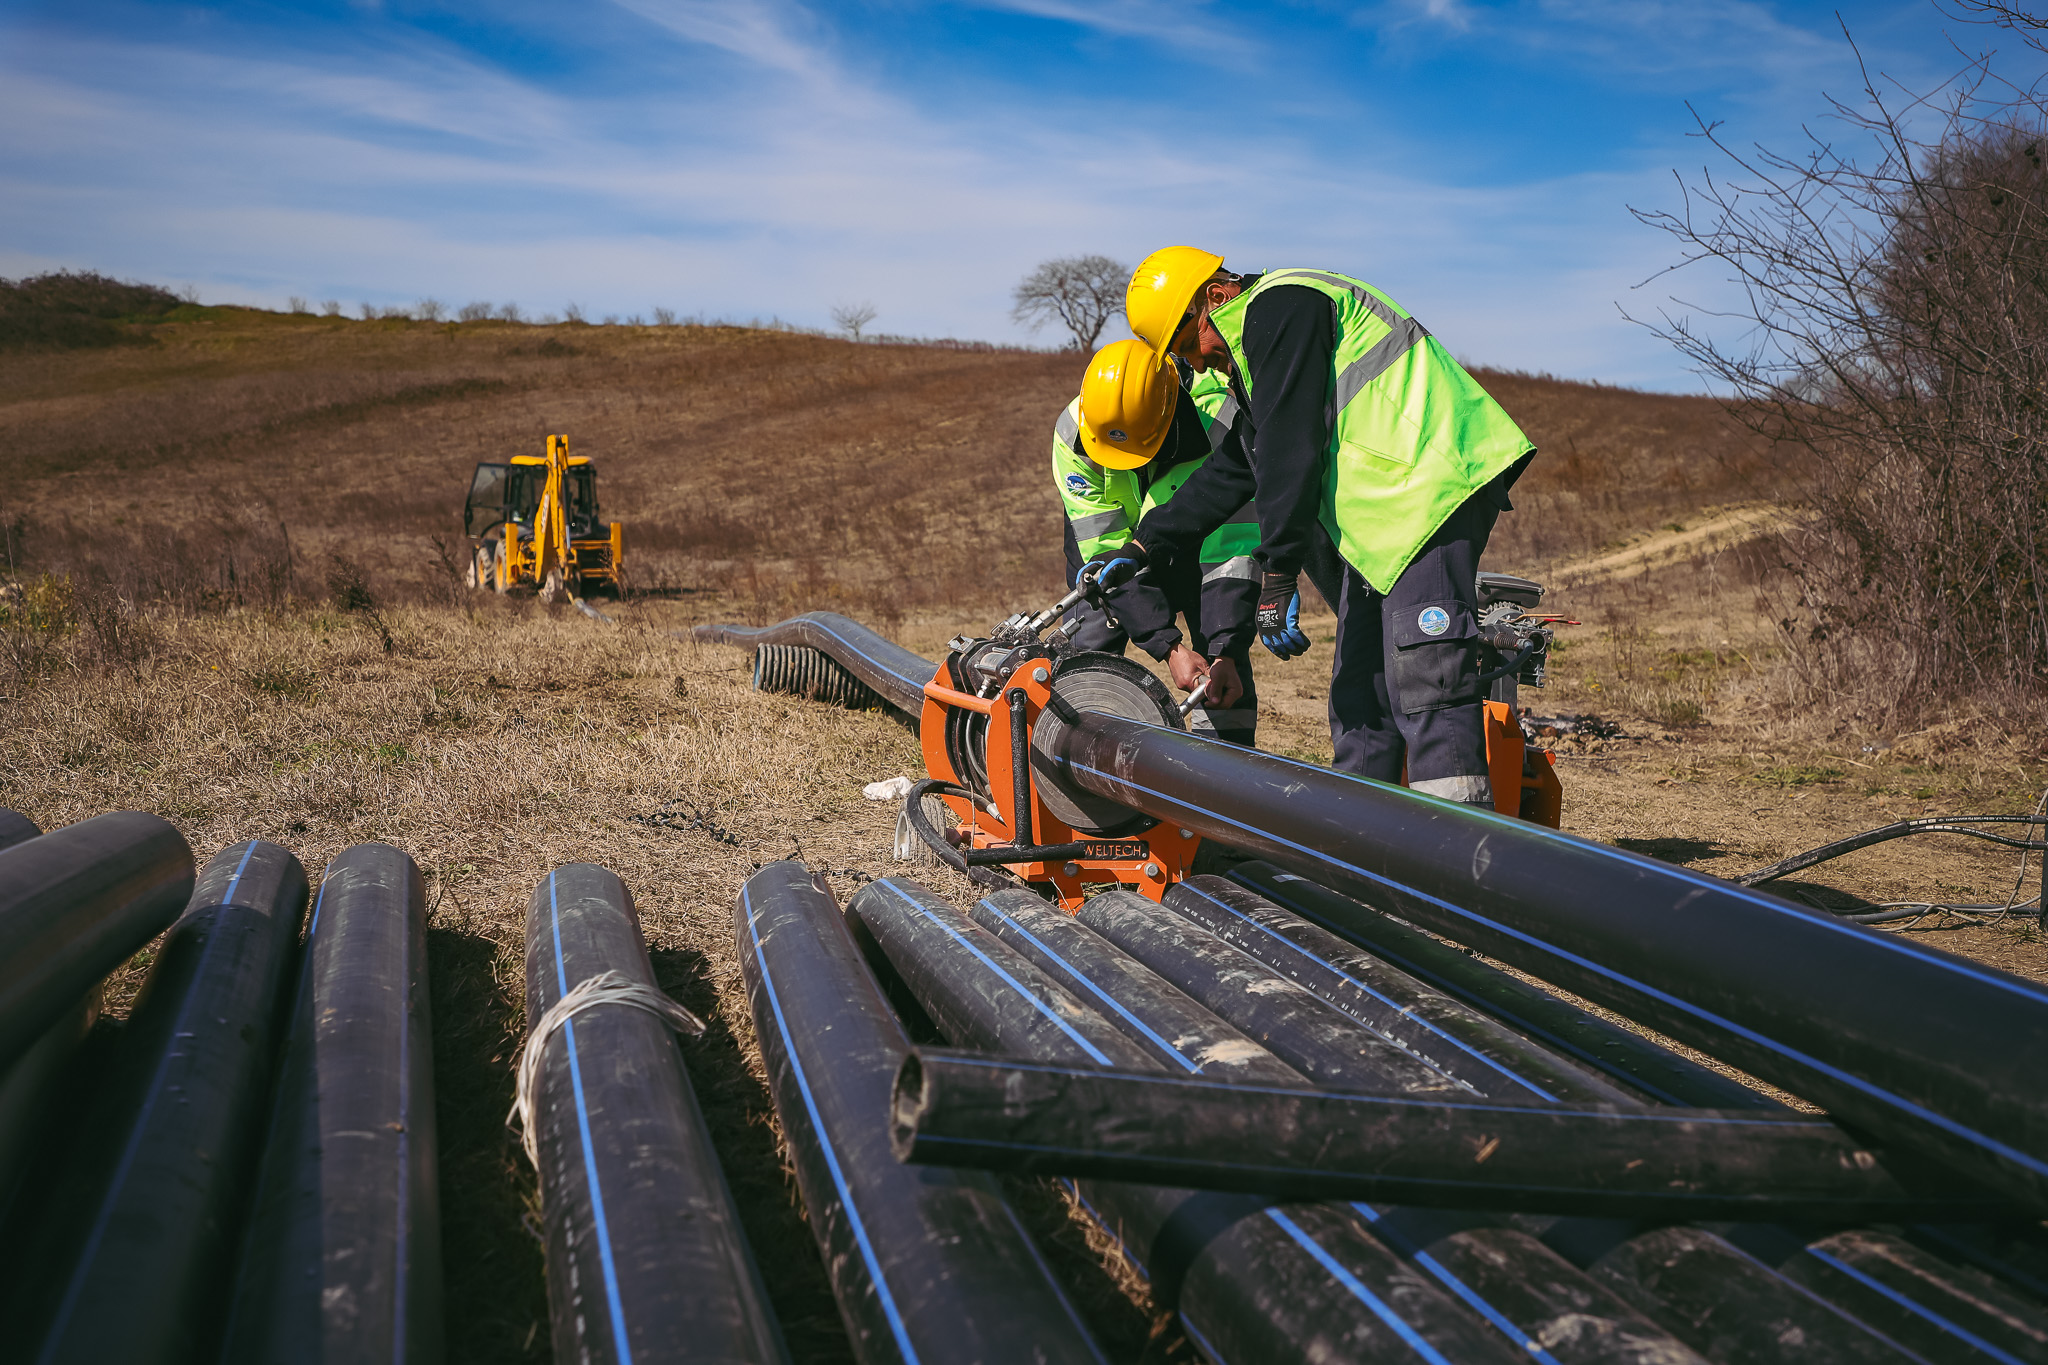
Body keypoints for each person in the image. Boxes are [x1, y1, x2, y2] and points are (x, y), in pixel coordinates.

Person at [1085, 248, 1534, 805]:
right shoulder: (1258, 353)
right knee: (1359, 696)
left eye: (1184, 347)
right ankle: (1365, 853)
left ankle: (1457, 863)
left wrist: (1278, 575)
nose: (1195, 367)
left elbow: (1288, 450)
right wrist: (1144, 544)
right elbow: (1234, 468)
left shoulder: (1282, 306)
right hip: (1382, 523)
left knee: (1427, 679)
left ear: (1215, 300)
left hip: (1429, 488)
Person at [1051, 339, 1263, 744]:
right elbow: (1103, 552)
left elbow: (1232, 550)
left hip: (1201, 554)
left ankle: (1226, 778)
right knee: (1085, 663)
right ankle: (1077, 762)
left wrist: (1226, 649)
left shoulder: (1218, 421)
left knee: (1221, 677)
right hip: (1115, 561)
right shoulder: (1075, 434)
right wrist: (1169, 647)